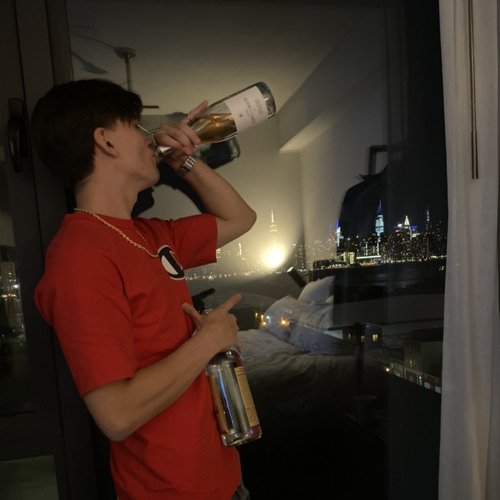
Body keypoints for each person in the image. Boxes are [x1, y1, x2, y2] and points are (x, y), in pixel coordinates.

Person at [30, 79, 256, 500]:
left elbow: (240, 218)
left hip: (222, 478)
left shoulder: (151, 235)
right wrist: (208, 341)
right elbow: (116, 415)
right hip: (170, 492)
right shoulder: (80, 258)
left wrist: (184, 159)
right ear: (106, 141)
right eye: (135, 126)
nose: (149, 138)